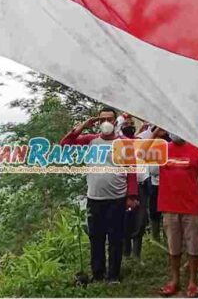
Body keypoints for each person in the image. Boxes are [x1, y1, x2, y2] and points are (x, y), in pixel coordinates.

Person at [60, 106, 139, 283]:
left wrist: (132, 196)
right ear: (98, 122)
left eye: (109, 119)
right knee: (96, 237)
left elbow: (132, 170)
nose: (106, 123)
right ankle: (97, 273)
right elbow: (65, 145)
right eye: (102, 119)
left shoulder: (124, 143)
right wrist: (83, 126)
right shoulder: (91, 140)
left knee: (115, 238)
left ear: (115, 121)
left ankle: (113, 275)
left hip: (117, 198)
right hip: (94, 198)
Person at [156, 130, 198, 298]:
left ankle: (193, 281)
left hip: (191, 206)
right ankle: (175, 280)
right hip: (169, 206)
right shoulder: (161, 149)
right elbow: (138, 153)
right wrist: (156, 131)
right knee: (174, 245)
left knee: (193, 246)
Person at [119, 114, 149, 259]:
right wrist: (125, 114)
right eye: (126, 124)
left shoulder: (139, 141)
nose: (130, 126)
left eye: (132, 124)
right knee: (125, 220)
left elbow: (154, 130)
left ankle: (136, 255)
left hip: (141, 186)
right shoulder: (119, 142)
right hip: (123, 187)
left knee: (140, 220)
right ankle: (126, 253)